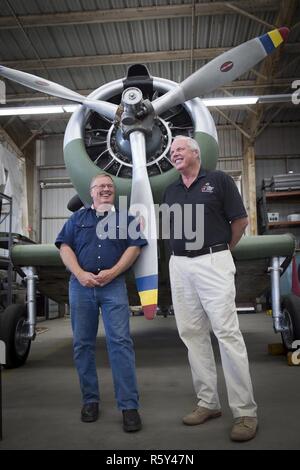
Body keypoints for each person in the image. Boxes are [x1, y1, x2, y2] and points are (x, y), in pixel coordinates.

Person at [163, 136, 258, 442]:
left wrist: (219, 251)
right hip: (179, 265)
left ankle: (245, 412)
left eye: (180, 149)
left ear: (195, 153)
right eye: (172, 151)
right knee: (192, 334)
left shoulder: (219, 180)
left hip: (214, 260)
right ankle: (209, 403)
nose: (174, 153)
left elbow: (240, 221)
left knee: (227, 334)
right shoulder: (171, 190)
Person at [55, 174, 147, 432]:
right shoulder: (77, 219)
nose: (105, 189)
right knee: (82, 345)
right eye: (100, 186)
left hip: (113, 286)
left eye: (109, 186)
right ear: (91, 192)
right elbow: (64, 247)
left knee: (120, 343)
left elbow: (135, 247)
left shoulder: (126, 220)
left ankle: (129, 406)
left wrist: (114, 272)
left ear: (113, 192)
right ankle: (90, 401)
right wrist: (80, 274)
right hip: (80, 287)